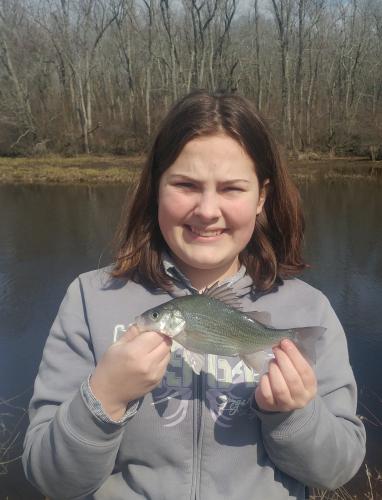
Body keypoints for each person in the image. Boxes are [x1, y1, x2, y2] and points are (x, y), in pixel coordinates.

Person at [23, 90, 366, 500]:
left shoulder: (309, 309)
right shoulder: (90, 298)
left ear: (262, 197)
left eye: (231, 189)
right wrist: (104, 399)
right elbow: (48, 478)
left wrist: (294, 414)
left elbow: (337, 470)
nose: (207, 209)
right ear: (155, 190)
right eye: (186, 184)